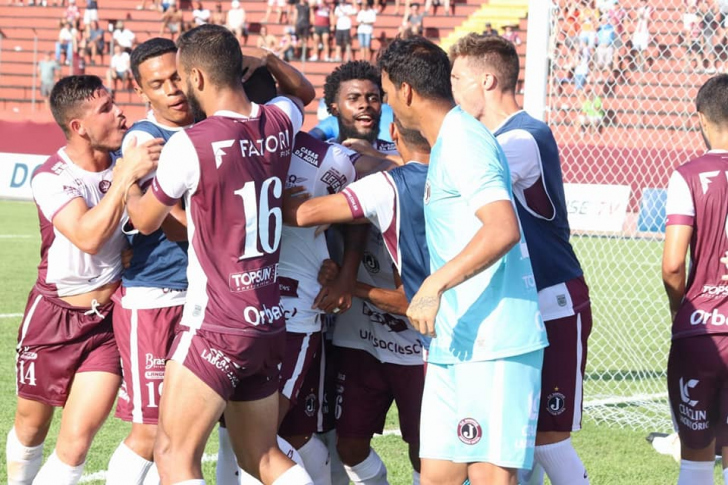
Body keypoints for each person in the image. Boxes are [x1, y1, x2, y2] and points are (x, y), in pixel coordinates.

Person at [124, 24, 314, 484]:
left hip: (216, 323)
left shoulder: (189, 144)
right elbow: (301, 94)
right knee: (262, 458)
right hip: (269, 321)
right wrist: (266, 59)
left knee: (172, 455)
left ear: (196, 77)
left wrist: (128, 179)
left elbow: (146, 220)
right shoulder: (282, 121)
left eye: (183, 77)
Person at [379, 35, 548, 485]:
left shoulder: (464, 141)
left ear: (406, 92)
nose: (386, 104)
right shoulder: (446, 143)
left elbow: (502, 227)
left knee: (491, 477)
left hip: (495, 342)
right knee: (437, 476)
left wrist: (433, 286)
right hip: (456, 340)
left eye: (386, 93)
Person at [5, 74, 162, 485]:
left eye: (115, 103)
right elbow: (89, 237)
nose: (120, 113)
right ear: (79, 126)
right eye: (106, 109)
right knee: (30, 427)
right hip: (54, 316)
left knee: (76, 444)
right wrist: (126, 176)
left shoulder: (129, 166)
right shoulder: (51, 176)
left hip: (108, 322)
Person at [449, 33, 592, 485]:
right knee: (510, 437)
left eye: (456, 78)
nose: (451, 90)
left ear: (487, 80)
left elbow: (458, 182)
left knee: (547, 437)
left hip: (553, 301)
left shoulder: (524, 138)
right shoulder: (491, 138)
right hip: (514, 309)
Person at [102, 37, 192, 485]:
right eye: (159, 83)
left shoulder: (209, 123)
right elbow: (162, 221)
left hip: (202, 299)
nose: (173, 89)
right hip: (153, 296)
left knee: (191, 430)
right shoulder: (146, 139)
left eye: (177, 77)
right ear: (143, 92)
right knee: (150, 429)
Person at [662, 74, 728, 485]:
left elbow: (672, 264)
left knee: (697, 457)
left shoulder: (687, 176)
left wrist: (680, 309)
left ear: (701, 119)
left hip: (700, 334)